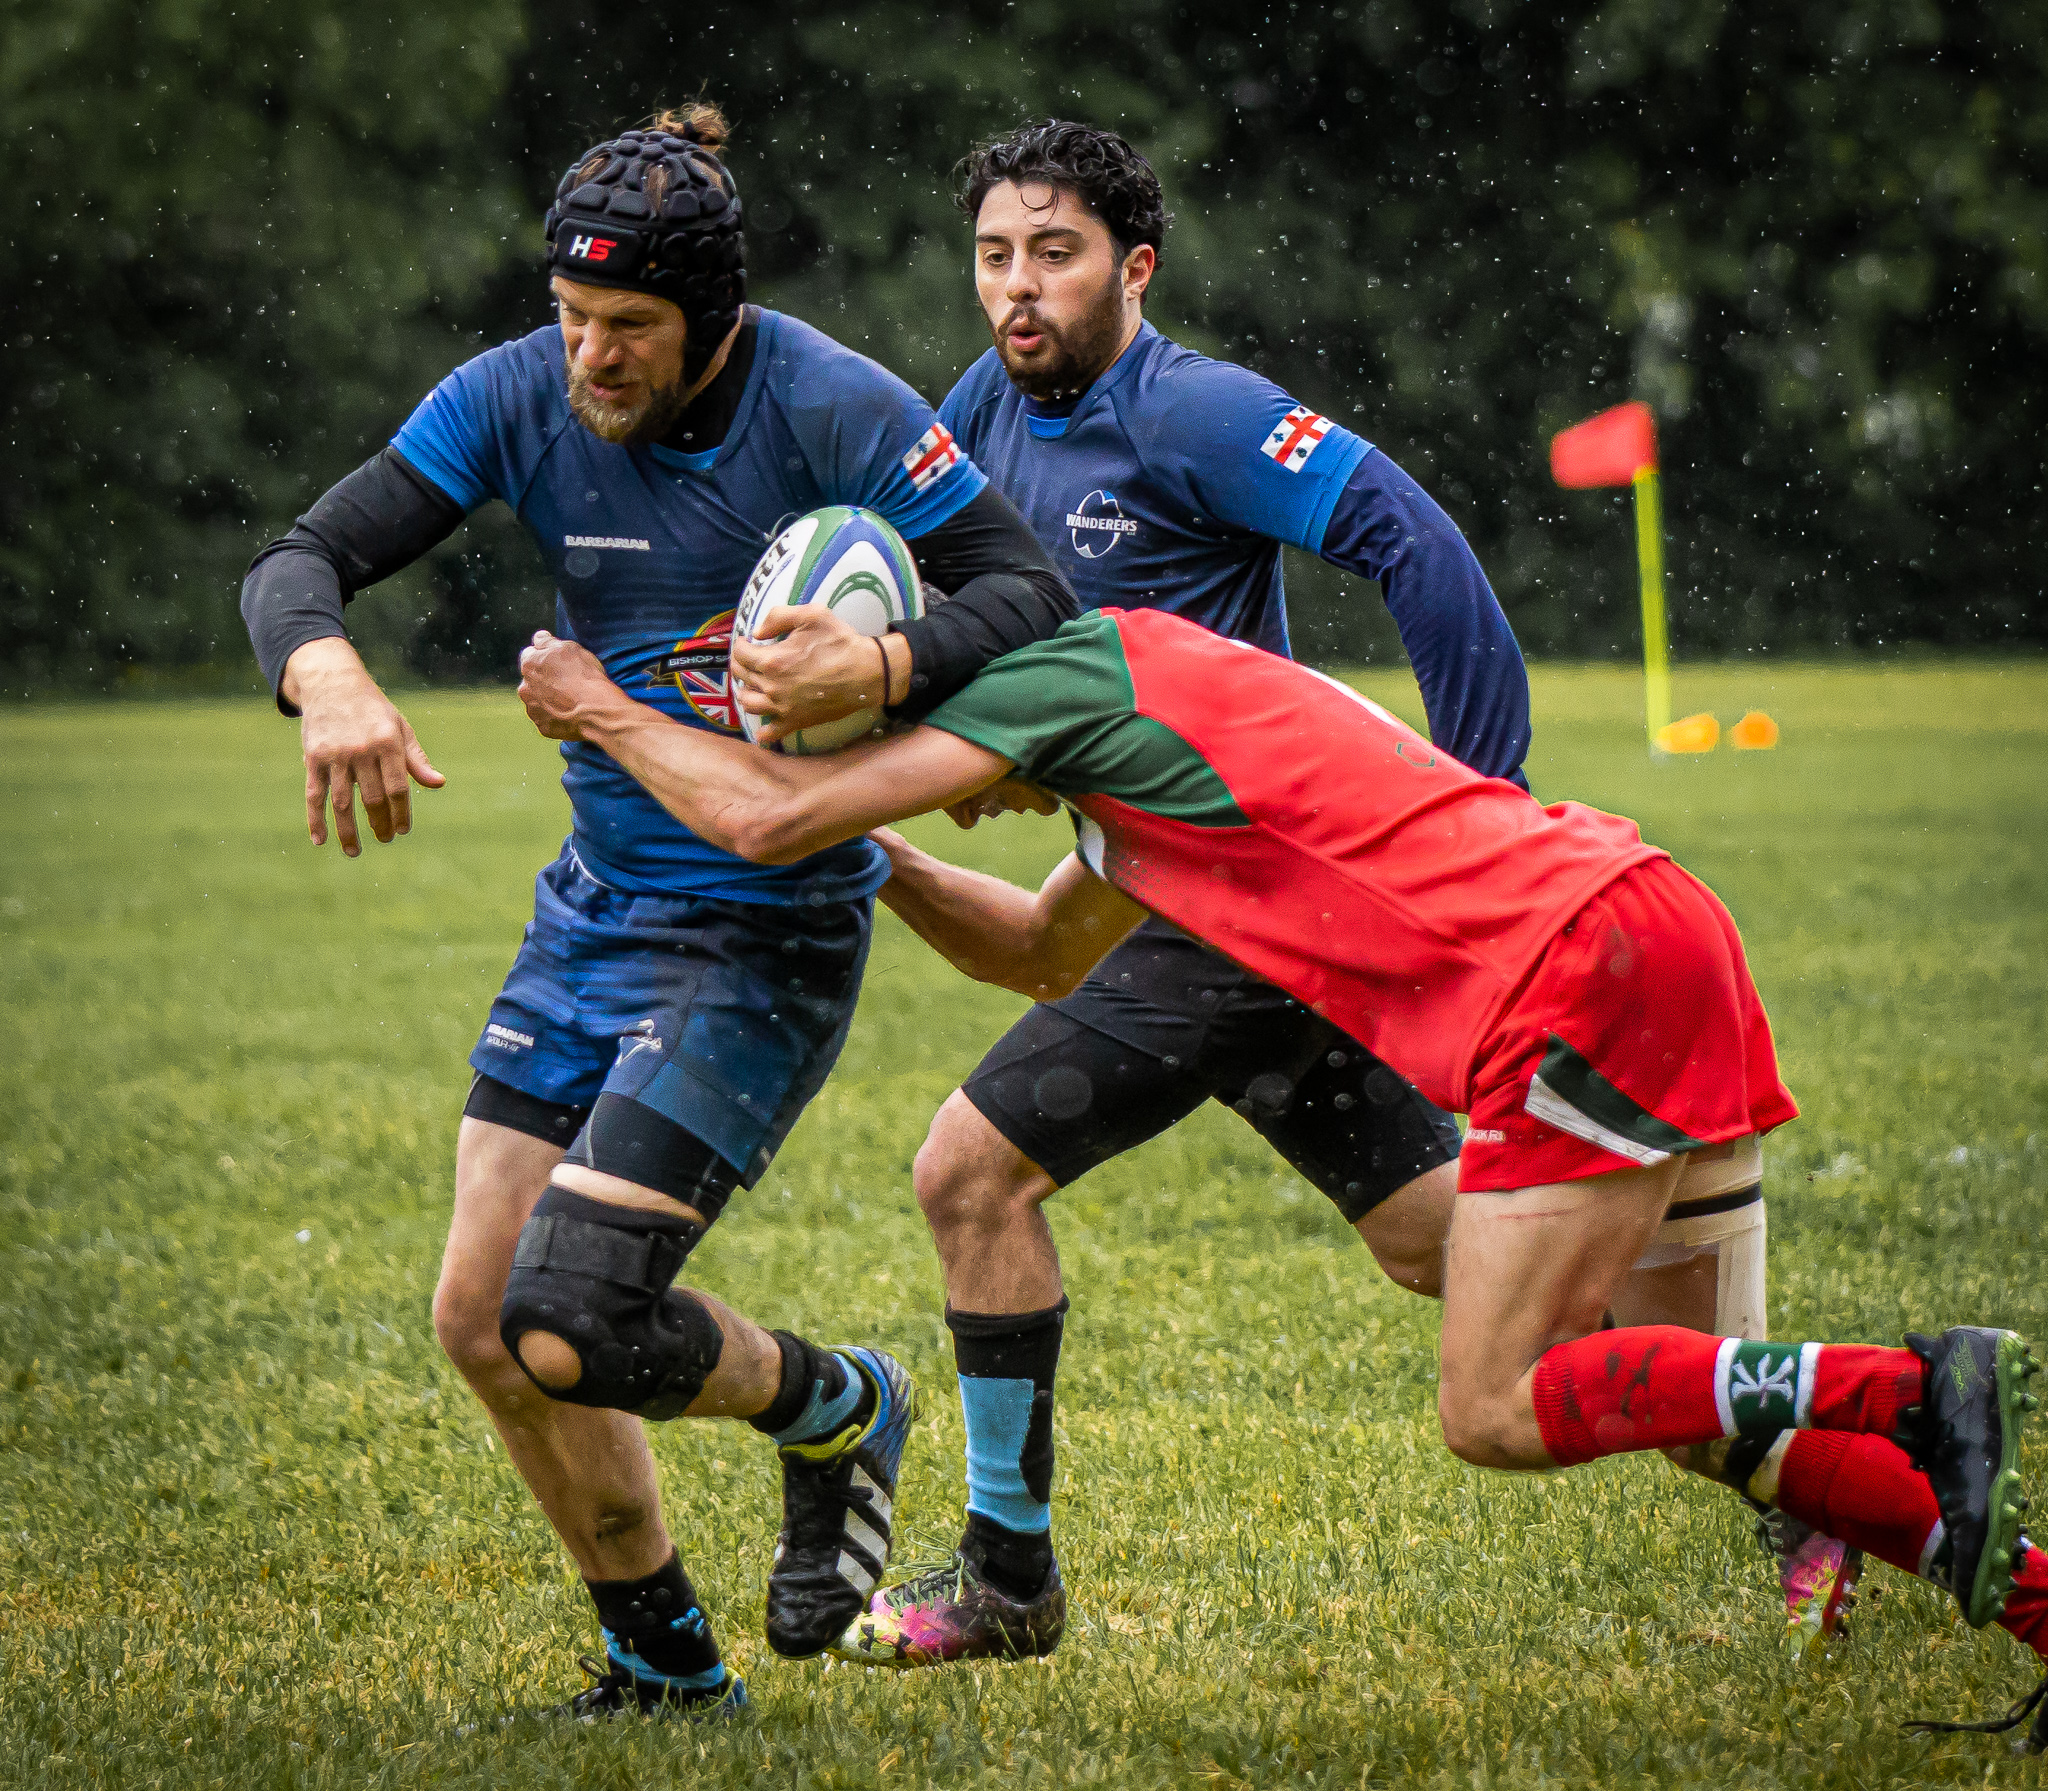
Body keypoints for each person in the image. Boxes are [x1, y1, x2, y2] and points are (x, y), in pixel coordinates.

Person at [512, 610, 2045, 1745]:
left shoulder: (1062, 671)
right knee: (1681, 1401)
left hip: (1566, 979)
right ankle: (2037, 1598)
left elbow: (768, 813)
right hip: (1644, 920)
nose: (937, 795)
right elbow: (1034, 951)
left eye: (902, 772)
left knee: (1499, 1404)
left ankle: (1909, 1384)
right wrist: (885, 859)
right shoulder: (1130, 724)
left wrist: (600, 709)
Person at [728, 120, 1853, 1664]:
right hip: (1170, 882)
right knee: (1437, 1248)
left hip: (1247, 887)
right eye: (994, 254)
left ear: (1134, 267)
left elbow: (1413, 536)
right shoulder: (975, 413)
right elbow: (957, 638)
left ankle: (1008, 1578)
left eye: (1054, 254)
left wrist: (1484, 793)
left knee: (968, 1174)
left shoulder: (1192, 410)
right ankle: (1807, 1442)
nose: (1017, 287)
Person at [238, 103, 1078, 1719]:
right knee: (488, 1323)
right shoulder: (510, 395)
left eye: (629, 331)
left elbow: (1026, 588)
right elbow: (305, 558)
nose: (591, 362)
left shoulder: (830, 402)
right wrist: (324, 667)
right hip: (592, 913)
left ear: (716, 320)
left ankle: (838, 1404)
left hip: (763, 931)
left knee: (573, 1315)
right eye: (571, 321)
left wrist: (888, 665)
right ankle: (665, 1665)